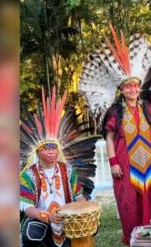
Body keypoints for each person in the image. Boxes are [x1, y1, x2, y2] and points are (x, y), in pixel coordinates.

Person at [79, 27, 151, 244]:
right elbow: (108, 137)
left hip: (150, 162)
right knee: (129, 200)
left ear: (139, 87)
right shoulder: (116, 111)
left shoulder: (147, 107)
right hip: (125, 163)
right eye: (128, 87)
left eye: (135, 86)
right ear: (122, 90)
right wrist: (113, 162)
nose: (133, 90)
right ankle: (134, 239)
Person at [20, 87, 98, 247]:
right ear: (37, 151)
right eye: (46, 148)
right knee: (31, 233)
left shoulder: (68, 171)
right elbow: (26, 207)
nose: (51, 152)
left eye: (54, 147)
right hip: (43, 221)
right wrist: (47, 216)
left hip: (68, 220)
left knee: (91, 226)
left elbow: (78, 197)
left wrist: (84, 209)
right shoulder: (28, 175)